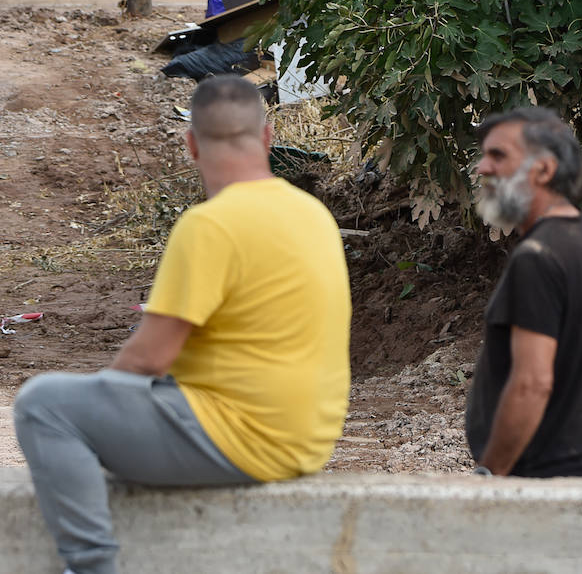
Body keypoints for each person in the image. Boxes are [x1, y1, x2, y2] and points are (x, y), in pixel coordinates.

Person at [13, 74, 351, 574]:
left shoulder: (209, 226)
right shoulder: (313, 214)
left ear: (191, 143)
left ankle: (91, 566)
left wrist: (101, 413)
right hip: (309, 439)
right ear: (268, 135)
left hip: (243, 440)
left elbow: (147, 358)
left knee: (44, 406)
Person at [465, 107, 582, 477]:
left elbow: (532, 383)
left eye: (498, 155)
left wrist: (491, 475)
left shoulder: (536, 258)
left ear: (545, 169)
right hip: (579, 477)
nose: (483, 168)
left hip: (533, 489)